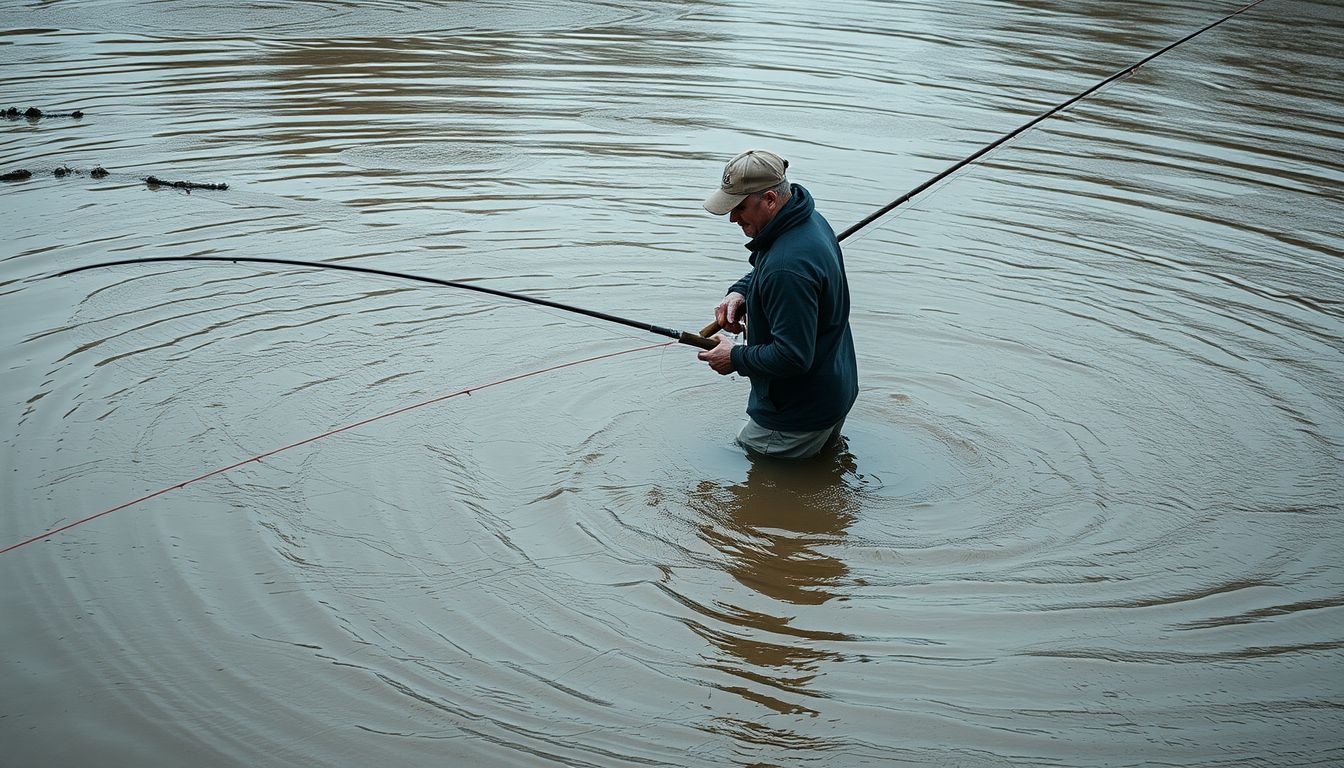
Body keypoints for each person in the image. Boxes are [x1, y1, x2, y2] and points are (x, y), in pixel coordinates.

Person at [697, 149, 858, 459]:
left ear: (770, 199)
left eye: (739, 207)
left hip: (795, 418)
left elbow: (792, 356)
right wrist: (741, 292)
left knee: (744, 464)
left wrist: (735, 357)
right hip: (834, 392)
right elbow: (771, 267)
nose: (732, 218)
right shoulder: (808, 220)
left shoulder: (787, 267)